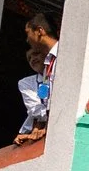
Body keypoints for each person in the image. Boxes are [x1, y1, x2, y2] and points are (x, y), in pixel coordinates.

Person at [13, 13, 57, 144]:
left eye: (28, 33)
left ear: (39, 31)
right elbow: (37, 108)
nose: (27, 40)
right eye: (29, 58)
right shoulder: (49, 63)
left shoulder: (64, 55)